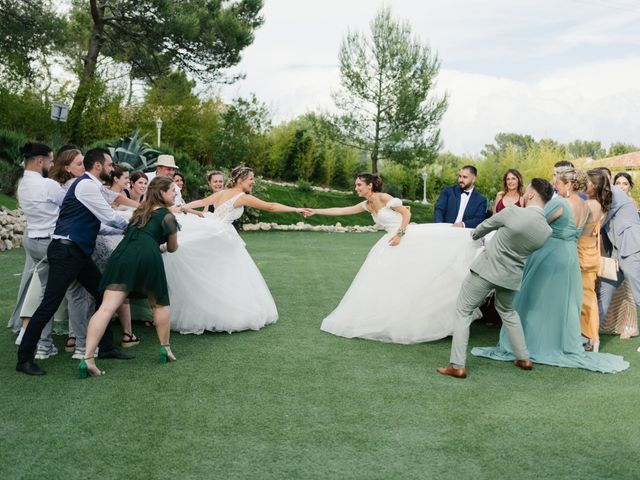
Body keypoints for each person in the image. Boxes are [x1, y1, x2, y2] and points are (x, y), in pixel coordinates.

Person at [472, 168, 629, 373]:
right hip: (571, 257)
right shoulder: (585, 205)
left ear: (569, 185)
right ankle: (554, 342)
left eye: (559, 183)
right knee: (560, 303)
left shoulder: (559, 203)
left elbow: (536, 223)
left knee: (532, 298)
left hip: (550, 256)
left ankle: (529, 344)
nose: (555, 186)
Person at [304, 173, 483, 343]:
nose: (356, 188)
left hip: (406, 238)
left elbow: (406, 214)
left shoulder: (384, 198)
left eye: (359, 185)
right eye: (356, 185)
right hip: (390, 242)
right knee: (385, 282)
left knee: (420, 278)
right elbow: (341, 210)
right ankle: (387, 320)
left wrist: (400, 234)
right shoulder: (367, 204)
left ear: (369, 185)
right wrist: (315, 211)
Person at [16, 148, 131, 376]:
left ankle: (106, 347)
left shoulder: (90, 186)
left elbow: (100, 225)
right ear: (98, 166)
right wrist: (132, 226)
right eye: (109, 165)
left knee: (101, 294)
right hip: (66, 252)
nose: (112, 169)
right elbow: (108, 217)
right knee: (49, 304)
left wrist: (125, 230)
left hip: (77, 252)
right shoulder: (87, 185)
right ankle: (24, 359)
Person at [165, 165, 308, 334]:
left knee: (214, 273)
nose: (253, 182)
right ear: (240, 180)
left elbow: (202, 202)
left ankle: (208, 312)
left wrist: (181, 207)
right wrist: (296, 209)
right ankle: (225, 315)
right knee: (227, 274)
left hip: (213, 229)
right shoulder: (241, 197)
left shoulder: (222, 193)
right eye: (251, 179)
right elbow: (271, 206)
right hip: (221, 235)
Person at [437, 179, 554, 379]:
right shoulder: (546, 231)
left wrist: (474, 234)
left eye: (526, 192)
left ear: (532, 195)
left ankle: (457, 365)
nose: (524, 194)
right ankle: (523, 357)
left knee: (464, 311)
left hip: (487, 270)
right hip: (511, 277)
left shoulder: (513, 212)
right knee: (508, 312)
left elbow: (484, 227)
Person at [80, 177, 180, 377]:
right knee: (158, 304)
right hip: (147, 255)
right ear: (161, 193)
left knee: (106, 307)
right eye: (172, 191)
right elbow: (172, 247)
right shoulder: (167, 216)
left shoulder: (138, 212)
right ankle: (165, 348)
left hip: (122, 254)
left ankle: (87, 358)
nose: (175, 194)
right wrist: (160, 246)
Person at [8, 143, 64, 350]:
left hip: (32, 240)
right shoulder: (47, 185)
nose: (52, 163)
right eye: (51, 160)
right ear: (40, 161)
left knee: (45, 294)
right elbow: (68, 205)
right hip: (50, 241)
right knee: (59, 295)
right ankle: (75, 343)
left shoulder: (21, 183)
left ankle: (43, 344)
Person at [92, 163, 140, 348]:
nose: (128, 181)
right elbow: (108, 219)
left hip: (93, 243)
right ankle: (126, 334)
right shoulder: (101, 191)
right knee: (118, 287)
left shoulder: (93, 188)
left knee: (92, 293)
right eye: (126, 178)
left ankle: (80, 342)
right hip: (106, 243)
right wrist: (128, 228)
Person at [597, 168, 640, 352]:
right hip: (615, 255)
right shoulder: (607, 199)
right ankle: (589, 336)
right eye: (618, 182)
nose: (620, 186)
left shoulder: (625, 201)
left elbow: (601, 219)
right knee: (604, 291)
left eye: (625, 183)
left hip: (631, 251)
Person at [578, 170, 610, 352]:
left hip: (581, 251)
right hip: (591, 251)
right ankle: (589, 337)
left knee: (586, 298)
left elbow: (576, 228)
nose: (584, 185)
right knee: (588, 295)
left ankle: (591, 337)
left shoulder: (588, 204)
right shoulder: (600, 204)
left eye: (587, 182)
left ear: (594, 186)